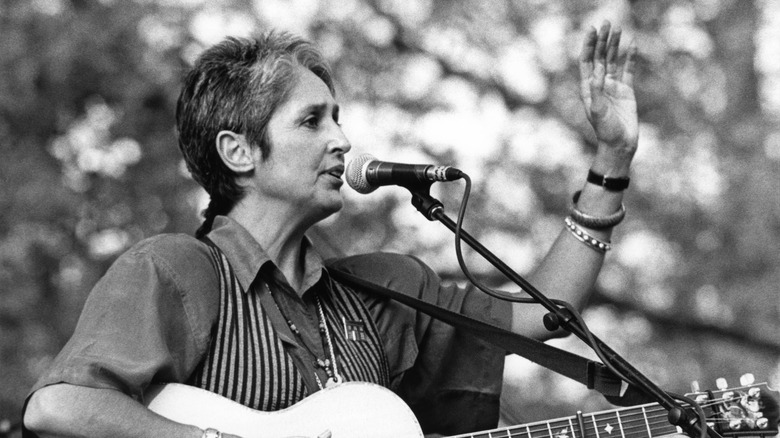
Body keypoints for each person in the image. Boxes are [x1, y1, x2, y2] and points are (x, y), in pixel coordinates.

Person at [22, 21, 639, 438]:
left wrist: (611, 160)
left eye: (338, 118)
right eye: (312, 121)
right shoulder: (175, 270)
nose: (342, 140)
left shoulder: (383, 290)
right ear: (239, 152)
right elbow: (59, 405)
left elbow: (546, 315)